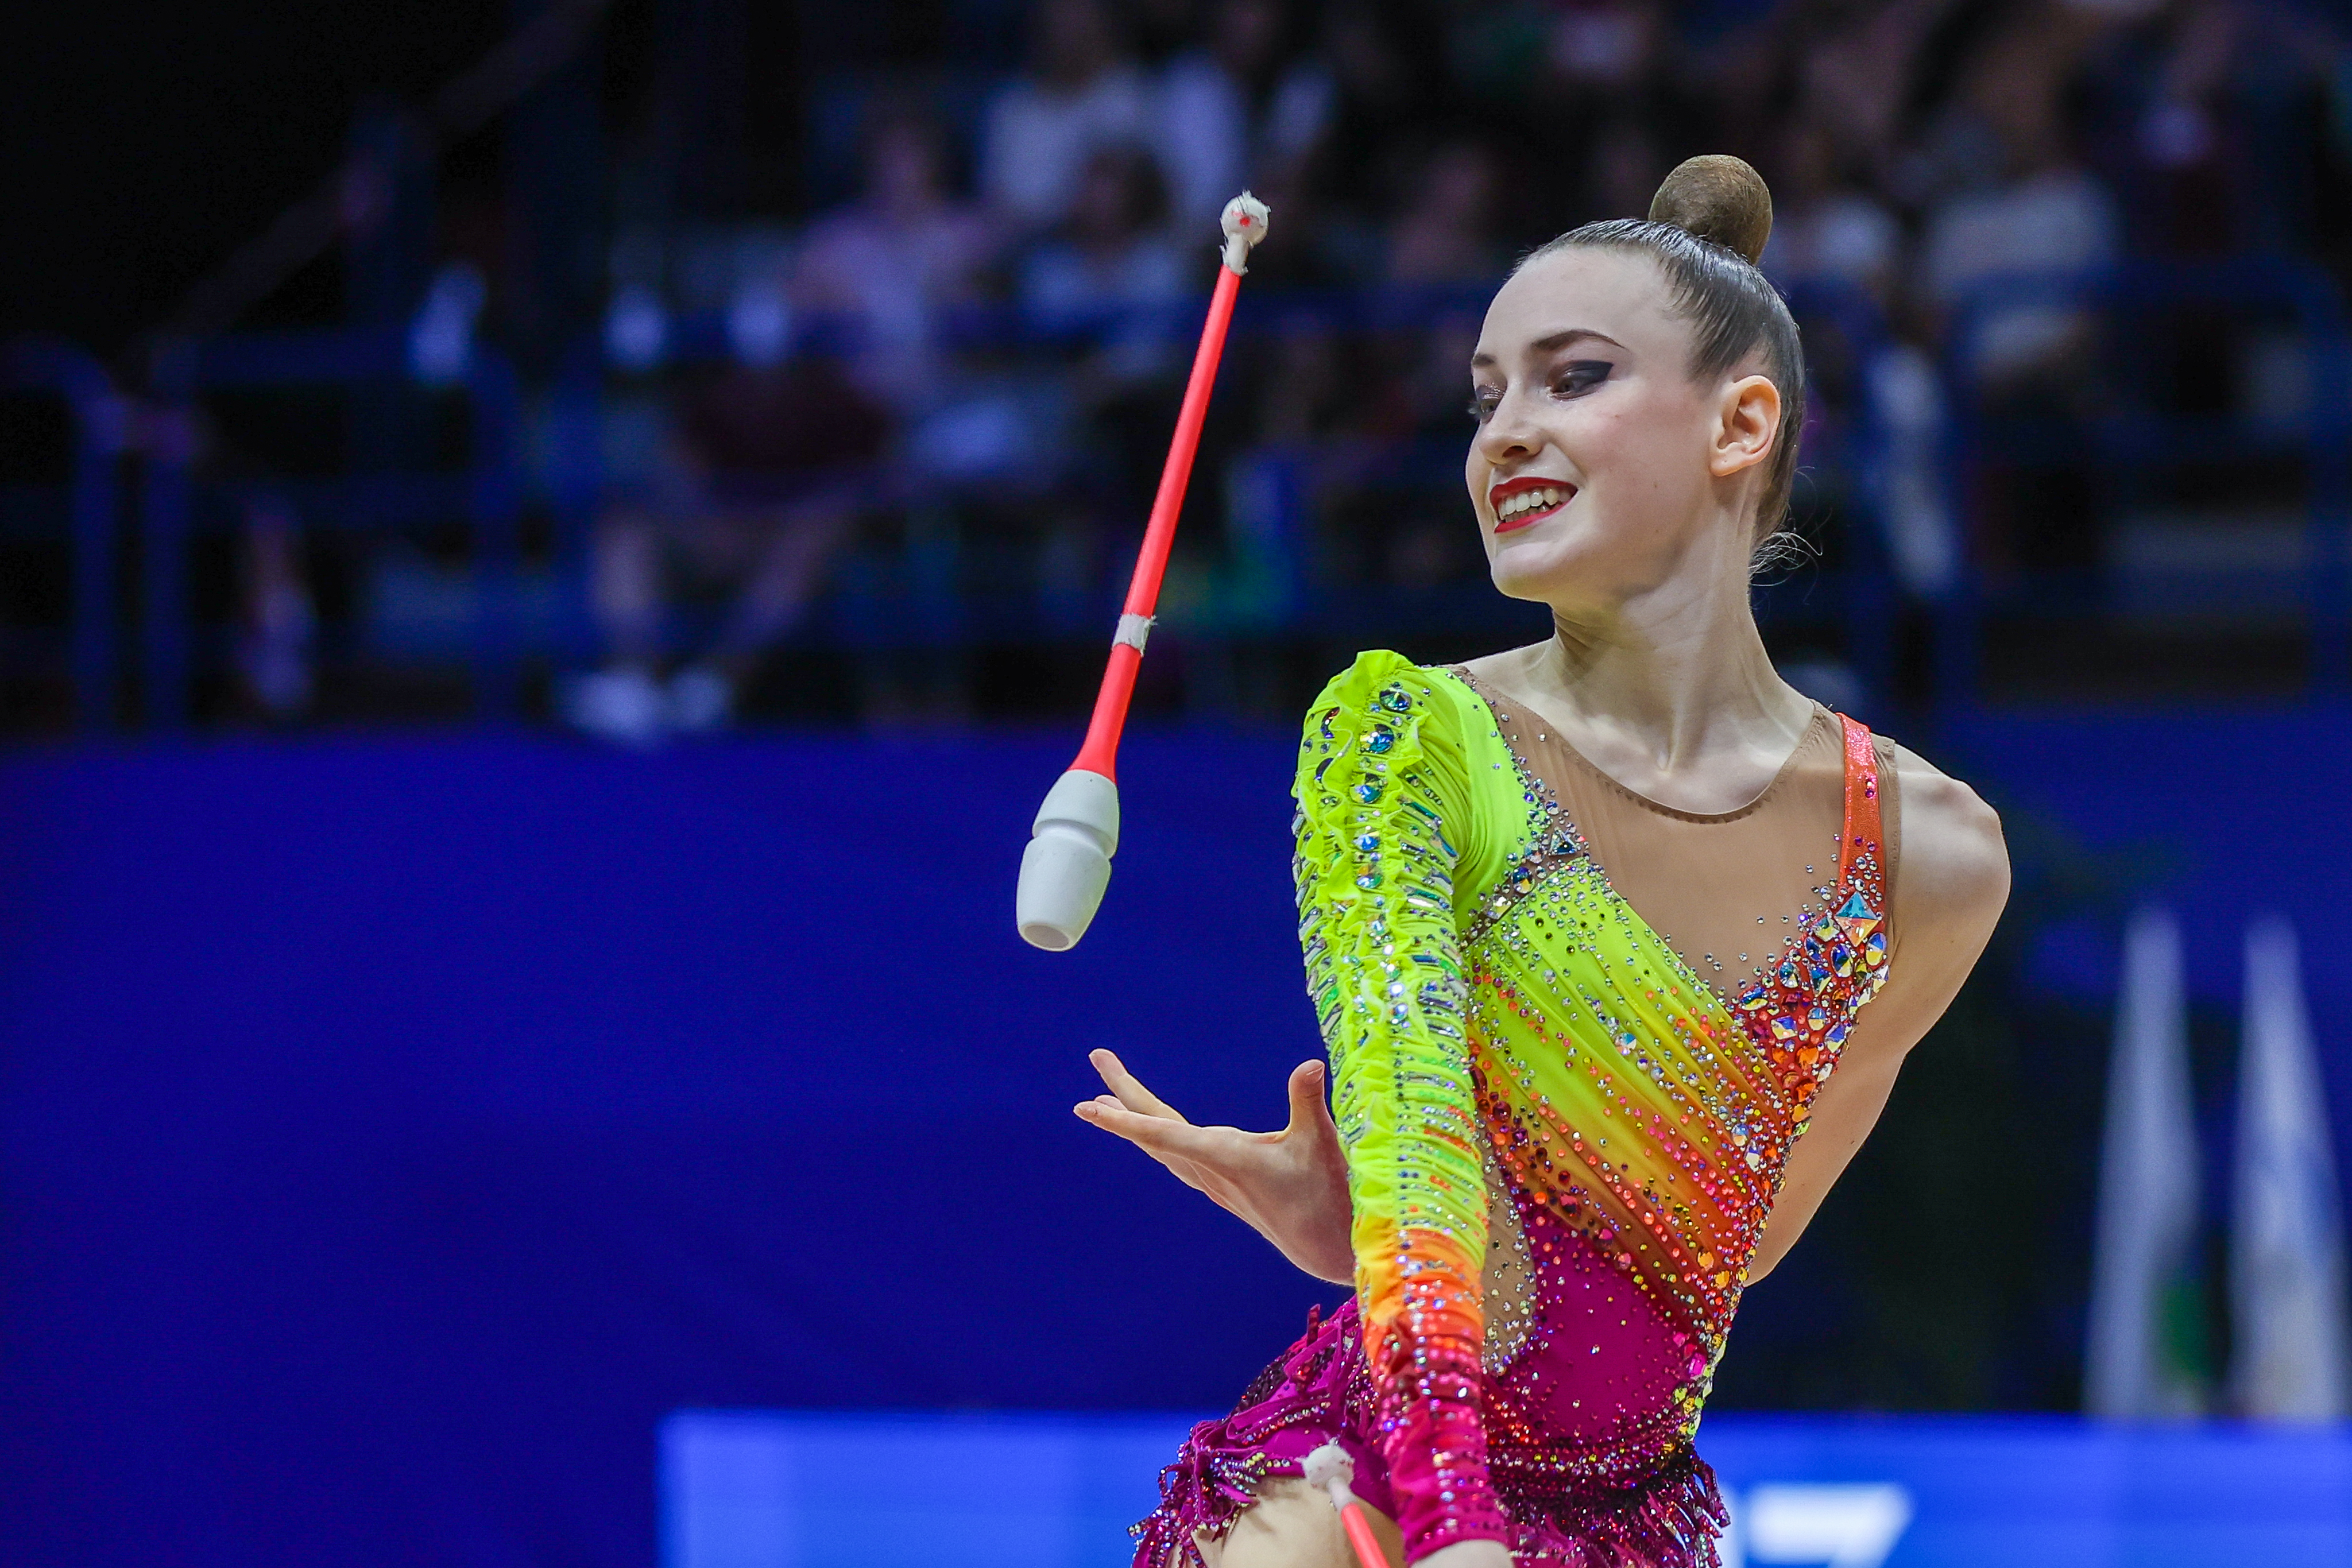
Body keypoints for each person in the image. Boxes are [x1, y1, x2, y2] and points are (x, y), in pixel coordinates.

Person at [1076, 157, 2010, 1568]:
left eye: (1570, 379)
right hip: (1368, 1481)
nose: (1504, 433)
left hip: (1628, 1521)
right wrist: (1452, 1526)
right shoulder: (1403, 739)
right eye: (1484, 398)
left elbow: (1732, 1238)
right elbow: (1413, 1146)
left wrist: (1455, 1218)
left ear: (1740, 423)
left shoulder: (1925, 855)